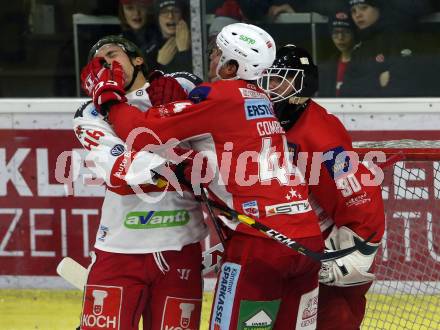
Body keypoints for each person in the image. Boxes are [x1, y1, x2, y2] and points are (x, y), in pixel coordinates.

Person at [85, 23, 325, 329]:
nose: (211, 59)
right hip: (305, 237)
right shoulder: (260, 98)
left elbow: (140, 133)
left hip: (260, 242)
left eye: (216, 54)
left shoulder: (219, 95)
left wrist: (107, 96)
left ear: (231, 66)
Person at [76, 35, 208, 330]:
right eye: (97, 62)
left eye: (112, 53)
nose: (106, 64)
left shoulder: (181, 87)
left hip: (180, 246)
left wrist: (181, 108)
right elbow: (120, 174)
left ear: (138, 60)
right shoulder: (90, 113)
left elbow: (219, 138)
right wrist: (178, 157)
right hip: (120, 249)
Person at [258, 44, 385, 329]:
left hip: (324, 255)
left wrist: (351, 256)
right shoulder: (266, 122)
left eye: (280, 78)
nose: (270, 86)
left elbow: (358, 197)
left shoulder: (320, 136)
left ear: (303, 84)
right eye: (267, 78)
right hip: (291, 255)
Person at [340, 0, 420, 97]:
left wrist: (363, 82)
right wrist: (376, 79)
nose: (358, 15)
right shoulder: (359, 47)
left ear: (378, 8)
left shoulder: (398, 39)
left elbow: (404, 83)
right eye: (353, 11)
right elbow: (346, 91)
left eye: (364, 8)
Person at [319, 11, 356, 97]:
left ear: (354, 34)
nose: (340, 38)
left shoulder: (364, 63)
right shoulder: (326, 67)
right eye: (336, 33)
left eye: (346, 32)